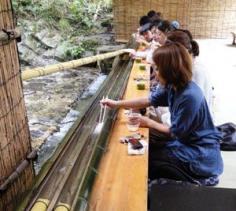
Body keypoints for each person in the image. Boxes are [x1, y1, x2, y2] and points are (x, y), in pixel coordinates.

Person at [101, 42, 223, 185]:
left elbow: (174, 132)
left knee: (150, 161)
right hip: (185, 143)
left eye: (158, 68)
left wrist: (148, 122)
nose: (155, 72)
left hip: (200, 155)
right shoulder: (174, 87)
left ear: (170, 70)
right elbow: (148, 100)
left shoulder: (189, 96)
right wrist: (116, 104)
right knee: (147, 149)